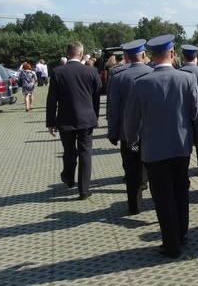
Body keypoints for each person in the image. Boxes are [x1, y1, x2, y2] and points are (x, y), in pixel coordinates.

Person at [124, 34, 198, 258]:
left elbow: (130, 119)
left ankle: (171, 244)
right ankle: (182, 235)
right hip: (181, 148)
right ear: (172, 54)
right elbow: (197, 114)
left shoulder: (141, 83)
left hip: (154, 151)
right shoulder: (187, 79)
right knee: (181, 190)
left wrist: (132, 142)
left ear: (152, 56)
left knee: (163, 197)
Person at [46, 41, 101, 200]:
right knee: (85, 153)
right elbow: (96, 97)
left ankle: (69, 177)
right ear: (81, 54)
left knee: (69, 151)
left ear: (67, 54)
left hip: (65, 120)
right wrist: (94, 117)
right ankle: (84, 189)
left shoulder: (57, 72)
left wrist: (51, 122)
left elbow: (52, 100)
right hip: (86, 119)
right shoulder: (92, 71)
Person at [106, 39, 152, 215]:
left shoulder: (118, 77)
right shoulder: (153, 72)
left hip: (128, 135)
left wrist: (113, 132)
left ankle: (135, 206)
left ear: (126, 56)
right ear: (144, 55)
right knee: (152, 169)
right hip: (150, 134)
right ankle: (158, 204)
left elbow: (113, 109)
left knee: (131, 171)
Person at [178, 44, 198, 175]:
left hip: (183, 113)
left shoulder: (178, 72)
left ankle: (183, 164)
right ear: (196, 57)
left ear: (183, 57)